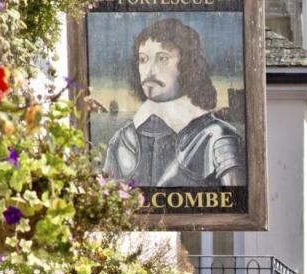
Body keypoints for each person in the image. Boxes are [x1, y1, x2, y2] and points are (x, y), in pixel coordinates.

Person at [104, 18, 245, 188]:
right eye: (143, 59)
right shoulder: (123, 139)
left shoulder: (217, 138)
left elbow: (235, 203)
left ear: (188, 64)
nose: (149, 71)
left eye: (162, 58)